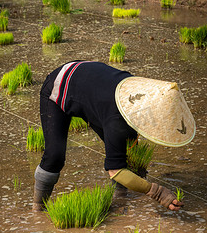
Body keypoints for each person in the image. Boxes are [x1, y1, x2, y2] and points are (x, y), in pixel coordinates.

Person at [33, 61, 196, 212]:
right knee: (55, 156)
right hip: (60, 84)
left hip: (92, 88)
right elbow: (116, 171)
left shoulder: (140, 94)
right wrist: (157, 192)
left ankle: (120, 201)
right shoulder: (117, 118)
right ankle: (38, 209)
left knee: (127, 150)